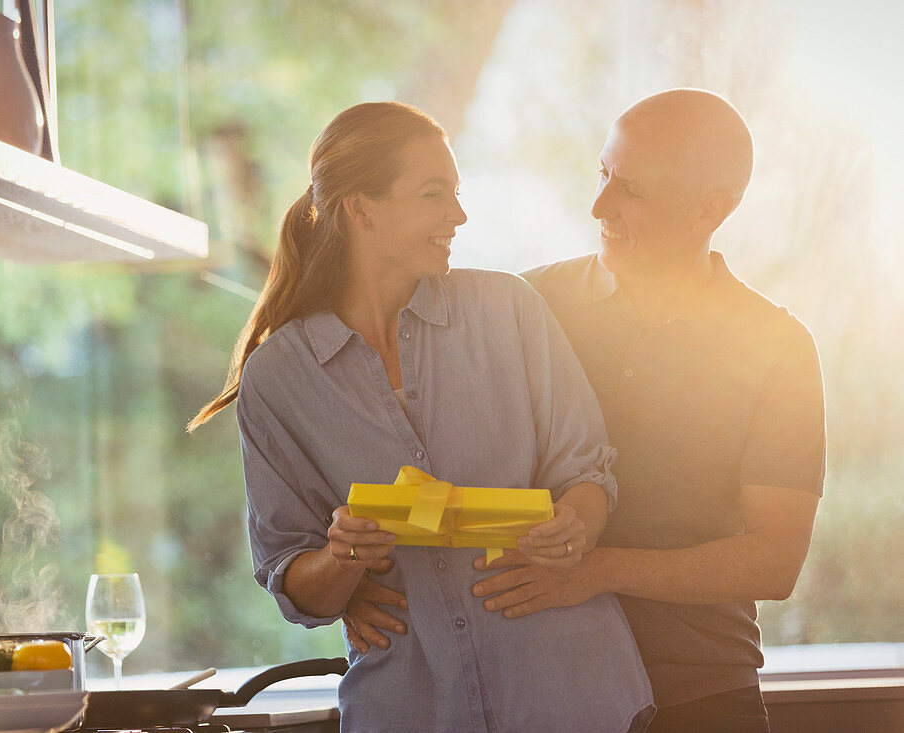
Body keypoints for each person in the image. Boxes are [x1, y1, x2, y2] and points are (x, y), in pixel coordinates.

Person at [342, 89, 826, 732]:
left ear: (711, 210)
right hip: (541, 688)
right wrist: (354, 580)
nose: (600, 206)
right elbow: (422, 456)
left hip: (699, 695)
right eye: (603, 174)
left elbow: (773, 560)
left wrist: (596, 572)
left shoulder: (778, 347)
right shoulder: (527, 303)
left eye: (632, 190)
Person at [188, 101, 654, 732]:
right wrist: (343, 556)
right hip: (411, 708)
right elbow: (296, 581)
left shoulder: (507, 310)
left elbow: (589, 473)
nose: (458, 215)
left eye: (456, 194)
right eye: (435, 195)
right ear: (361, 208)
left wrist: (572, 526)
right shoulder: (279, 378)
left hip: (570, 693)